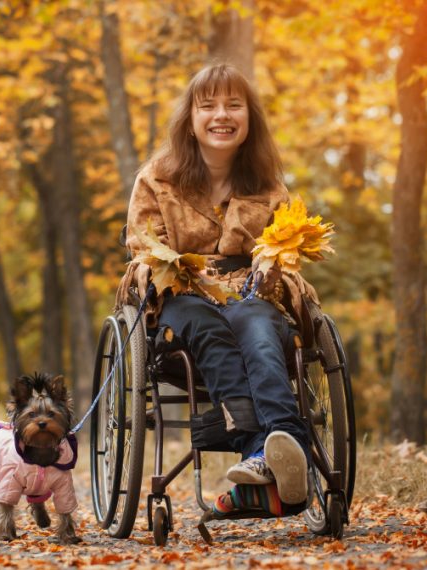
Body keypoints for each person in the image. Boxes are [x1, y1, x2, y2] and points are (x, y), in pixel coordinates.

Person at [116, 63, 319, 506]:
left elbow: (286, 246)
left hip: (252, 295)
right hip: (181, 300)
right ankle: (261, 449)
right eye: (207, 106)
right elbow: (144, 247)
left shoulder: (269, 188)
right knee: (208, 324)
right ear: (190, 118)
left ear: (250, 118)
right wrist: (185, 273)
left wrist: (270, 268)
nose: (221, 115)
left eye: (234, 105)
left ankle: (284, 440)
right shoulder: (156, 179)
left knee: (256, 324)